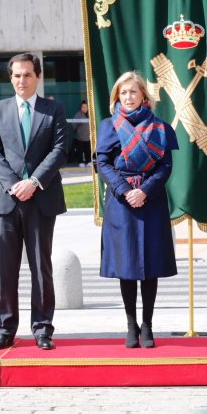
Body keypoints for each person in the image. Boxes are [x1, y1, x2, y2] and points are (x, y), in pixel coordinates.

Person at [0, 53, 67, 351]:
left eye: (28, 75)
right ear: (10, 78)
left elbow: (59, 150)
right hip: (6, 201)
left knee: (40, 266)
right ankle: (5, 327)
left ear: (38, 76)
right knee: (5, 268)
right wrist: (14, 184)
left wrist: (33, 182)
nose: (22, 80)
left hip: (42, 198)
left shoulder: (53, 109)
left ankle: (43, 327)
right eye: (17, 75)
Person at [96, 71, 178, 348]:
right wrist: (124, 190)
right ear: (116, 97)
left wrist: (145, 191)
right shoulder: (109, 126)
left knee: (150, 264)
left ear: (144, 94)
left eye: (133, 91)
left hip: (151, 200)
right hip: (121, 203)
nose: (128, 97)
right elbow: (103, 163)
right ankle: (130, 323)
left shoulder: (161, 128)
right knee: (127, 264)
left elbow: (165, 166)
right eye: (123, 92)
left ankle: (148, 325)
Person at [72, 101, 91, 167]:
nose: (85, 108)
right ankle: (81, 162)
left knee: (88, 150)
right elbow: (73, 125)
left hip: (88, 137)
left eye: (86, 107)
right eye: (83, 107)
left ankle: (88, 161)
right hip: (79, 137)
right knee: (80, 151)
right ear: (81, 108)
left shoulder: (90, 114)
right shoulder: (78, 115)